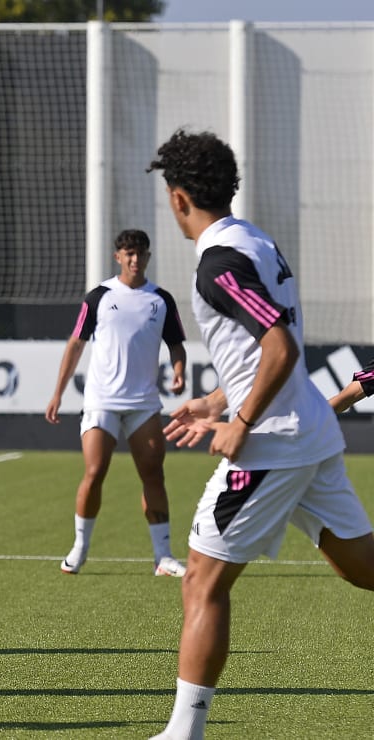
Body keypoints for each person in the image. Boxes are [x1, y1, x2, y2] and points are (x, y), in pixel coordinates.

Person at [148, 129, 374, 740]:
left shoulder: (217, 264)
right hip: (310, 430)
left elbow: (278, 345)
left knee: (201, 578)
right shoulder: (255, 240)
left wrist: (239, 422)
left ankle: (182, 734)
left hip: (273, 442)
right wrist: (218, 399)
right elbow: (270, 347)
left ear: (177, 199)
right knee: (361, 568)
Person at [45, 229, 188, 577]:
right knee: (95, 473)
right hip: (101, 401)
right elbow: (76, 344)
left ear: (148, 257)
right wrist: (58, 392)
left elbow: (176, 344)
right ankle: (79, 548)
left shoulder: (162, 299)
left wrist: (180, 370)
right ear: (118, 257)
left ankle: (163, 557)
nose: (134, 259)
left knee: (153, 473)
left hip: (143, 404)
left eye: (140, 253)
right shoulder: (99, 296)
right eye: (128, 253)